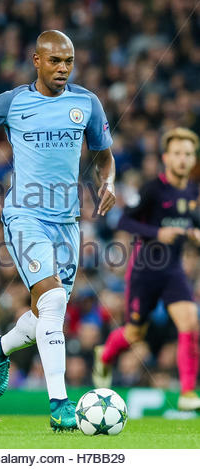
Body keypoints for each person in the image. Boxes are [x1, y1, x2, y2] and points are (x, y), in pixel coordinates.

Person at [0, 30, 116, 430]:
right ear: (36, 60)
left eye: (68, 61)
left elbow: (105, 156)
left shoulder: (86, 103)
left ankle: (0, 348)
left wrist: (110, 182)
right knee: (53, 301)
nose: (63, 68)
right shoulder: (13, 102)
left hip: (68, 224)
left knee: (45, 316)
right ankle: (59, 405)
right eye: (55, 61)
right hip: (25, 217)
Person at [93, 127, 200, 411]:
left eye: (188, 154)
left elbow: (189, 222)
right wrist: (156, 232)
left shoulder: (193, 190)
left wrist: (194, 232)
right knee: (134, 333)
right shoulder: (153, 188)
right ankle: (104, 354)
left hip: (173, 270)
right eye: (177, 153)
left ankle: (188, 392)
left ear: (193, 159)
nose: (182, 159)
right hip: (145, 270)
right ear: (166, 157)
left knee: (190, 323)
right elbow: (123, 222)